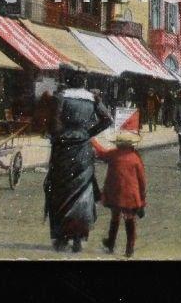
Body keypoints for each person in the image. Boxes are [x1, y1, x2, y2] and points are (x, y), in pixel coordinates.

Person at [45, 77, 113, 253]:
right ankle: (78, 237)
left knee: (59, 191)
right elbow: (107, 119)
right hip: (83, 150)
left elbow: (54, 124)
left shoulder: (61, 97)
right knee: (83, 191)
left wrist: (59, 135)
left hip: (63, 150)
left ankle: (61, 237)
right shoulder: (91, 99)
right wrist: (87, 133)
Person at [92, 131, 147, 258]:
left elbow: (101, 153)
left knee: (115, 218)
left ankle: (110, 243)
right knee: (129, 220)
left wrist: (93, 141)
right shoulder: (136, 158)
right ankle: (129, 249)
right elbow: (142, 180)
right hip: (130, 195)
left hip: (115, 193)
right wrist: (142, 199)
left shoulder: (113, 154)